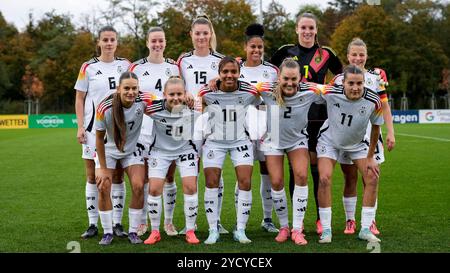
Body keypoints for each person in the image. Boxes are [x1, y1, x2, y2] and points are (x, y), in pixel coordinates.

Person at [269, 12, 343, 235]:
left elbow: (341, 76)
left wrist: (327, 88)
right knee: (293, 171)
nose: (307, 32)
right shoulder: (285, 51)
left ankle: (321, 218)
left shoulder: (326, 53)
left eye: (311, 28)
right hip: (289, 117)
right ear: (297, 29)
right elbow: (269, 73)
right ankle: (295, 222)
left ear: (316, 30)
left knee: (316, 170)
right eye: (303, 28)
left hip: (318, 117)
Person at [330, 38, 394, 235]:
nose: (358, 58)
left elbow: (384, 107)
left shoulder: (376, 78)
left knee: (371, 177)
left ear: (366, 56)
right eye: (354, 54)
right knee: (349, 178)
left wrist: (391, 132)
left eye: (362, 54)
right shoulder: (340, 79)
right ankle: (350, 221)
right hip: (347, 135)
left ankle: (370, 221)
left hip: (371, 135)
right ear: (348, 56)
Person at [256, 58, 323, 245]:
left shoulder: (309, 91)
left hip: (297, 140)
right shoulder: (266, 89)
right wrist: (217, 83)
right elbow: (243, 87)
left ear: (300, 78)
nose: (290, 83)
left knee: (301, 175)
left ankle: (297, 229)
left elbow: (332, 91)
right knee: (276, 182)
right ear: (279, 77)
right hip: (273, 140)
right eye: (286, 78)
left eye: (294, 79)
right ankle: (284, 226)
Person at [94, 71, 165, 245]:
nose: (130, 92)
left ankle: (133, 232)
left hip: (132, 150)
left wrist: (184, 97)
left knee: (139, 186)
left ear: (138, 89)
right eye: (126, 88)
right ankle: (108, 232)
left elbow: (166, 103)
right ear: (118, 89)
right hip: (109, 150)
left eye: (134, 88)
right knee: (103, 186)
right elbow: (98, 139)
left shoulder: (144, 99)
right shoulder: (105, 107)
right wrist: (103, 169)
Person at [316, 65, 383, 244]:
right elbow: (308, 88)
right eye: (351, 83)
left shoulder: (373, 100)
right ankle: (327, 230)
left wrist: (370, 157)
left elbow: (376, 128)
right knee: (324, 179)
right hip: (329, 141)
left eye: (359, 83)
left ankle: (365, 229)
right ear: (343, 83)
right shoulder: (330, 92)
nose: (355, 87)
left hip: (357, 144)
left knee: (372, 177)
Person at [74, 26, 130, 239]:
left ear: (117, 42)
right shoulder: (87, 67)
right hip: (92, 130)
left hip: (118, 129)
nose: (108, 43)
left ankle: (117, 223)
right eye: (105, 39)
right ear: (99, 42)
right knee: (92, 176)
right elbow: (80, 98)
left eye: (112, 39)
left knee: (117, 176)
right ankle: (92, 224)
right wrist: (80, 126)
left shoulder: (125, 65)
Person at [198, 57, 260, 244]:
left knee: (245, 181)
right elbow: (195, 105)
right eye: (225, 72)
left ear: (239, 73)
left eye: (233, 71)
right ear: (219, 73)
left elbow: (264, 98)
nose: (229, 75)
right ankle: (212, 229)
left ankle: (240, 229)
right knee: (211, 182)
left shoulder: (249, 91)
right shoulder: (207, 92)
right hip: (215, 142)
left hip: (240, 140)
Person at [177, 15, 228, 235]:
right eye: (197, 33)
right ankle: (192, 222)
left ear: (211, 35)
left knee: (215, 171)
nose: (201, 37)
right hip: (189, 120)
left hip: (215, 120)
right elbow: (175, 86)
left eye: (205, 33)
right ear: (191, 35)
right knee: (191, 171)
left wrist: (218, 85)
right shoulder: (183, 60)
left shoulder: (221, 60)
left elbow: (231, 87)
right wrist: (184, 92)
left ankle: (215, 221)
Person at [130, 26, 180, 237]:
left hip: (168, 129)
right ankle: (143, 222)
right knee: (146, 178)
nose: (157, 44)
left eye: (161, 40)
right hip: (144, 129)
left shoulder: (174, 67)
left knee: (169, 176)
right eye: (154, 41)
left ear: (165, 42)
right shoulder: (137, 67)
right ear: (147, 43)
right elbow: (131, 95)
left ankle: (168, 222)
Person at [143, 76, 201, 245]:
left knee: (190, 187)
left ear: (185, 94)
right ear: (164, 94)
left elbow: (208, 98)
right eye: (171, 94)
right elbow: (139, 98)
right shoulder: (154, 108)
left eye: (179, 94)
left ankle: (190, 230)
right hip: (160, 151)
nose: (176, 98)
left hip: (185, 149)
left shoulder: (194, 106)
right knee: (154, 189)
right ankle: (155, 231)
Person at [235, 23, 279, 233]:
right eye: (253, 47)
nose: (256, 51)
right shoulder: (237, 69)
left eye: (260, 47)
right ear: (245, 47)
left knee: (267, 172)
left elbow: (279, 98)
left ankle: (267, 219)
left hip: (267, 127)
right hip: (241, 127)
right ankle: (238, 221)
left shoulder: (271, 71)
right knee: (242, 173)